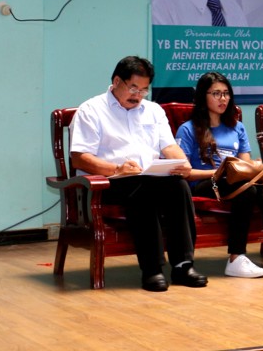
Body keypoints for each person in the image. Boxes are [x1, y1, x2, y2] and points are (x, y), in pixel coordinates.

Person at [68, 56, 207, 292]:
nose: (138, 96)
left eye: (144, 90)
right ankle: (152, 269)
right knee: (144, 190)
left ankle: (183, 265)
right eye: (133, 88)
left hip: (148, 178)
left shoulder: (153, 110)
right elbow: (80, 158)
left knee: (178, 186)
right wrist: (116, 169)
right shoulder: (91, 110)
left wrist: (182, 162)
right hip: (109, 183)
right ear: (116, 81)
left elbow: (169, 146)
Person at [176, 72, 263, 281]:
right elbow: (185, 172)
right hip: (204, 183)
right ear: (202, 97)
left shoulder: (237, 127)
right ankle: (236, 257)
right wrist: (220, 172)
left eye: (226, 93)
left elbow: (244, 167)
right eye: (216, 93)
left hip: (235, 181)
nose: (223, 99)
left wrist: (253, 168)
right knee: (246, 191)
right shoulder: (188, 129)